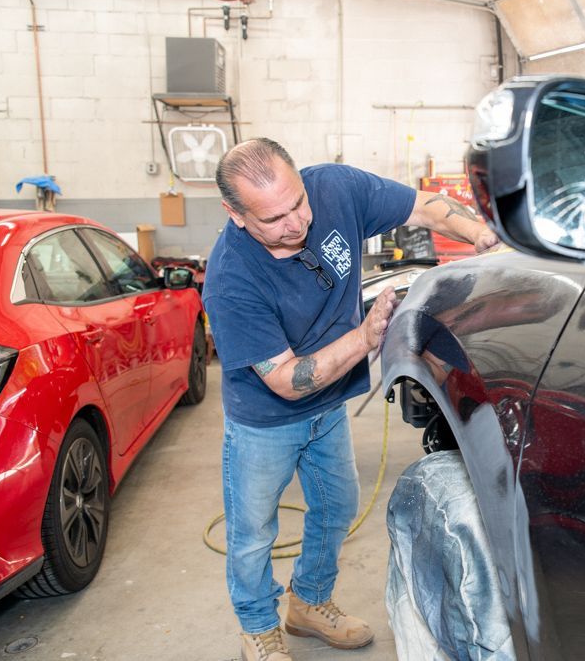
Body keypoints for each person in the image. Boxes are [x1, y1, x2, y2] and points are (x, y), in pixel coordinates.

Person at [202, 138, 499, 661]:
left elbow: (423, 206)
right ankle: (257, 626)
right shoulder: (231, 279)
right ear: (235, 214)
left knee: (336, 508)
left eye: (298, 202)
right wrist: (365, 339)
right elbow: (287, 379)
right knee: (253, 533)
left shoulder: (335, 188)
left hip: (328, 407)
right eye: (273, 218)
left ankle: (309, 603)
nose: (295, 223)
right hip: (265, 421)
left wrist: (479, 235)